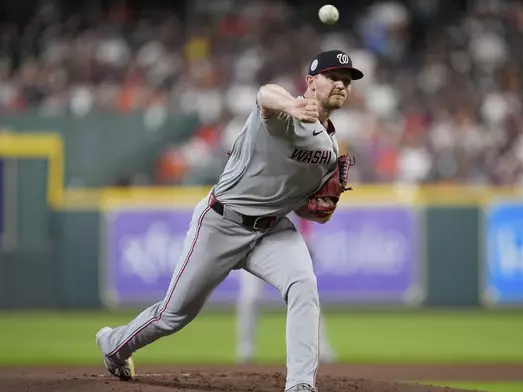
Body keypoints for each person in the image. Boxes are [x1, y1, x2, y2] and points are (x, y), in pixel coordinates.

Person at [95, 49, 363, 392]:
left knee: (304, 286)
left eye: (346, 81)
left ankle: (300, 385)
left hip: (271, 231)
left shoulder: (330, 146)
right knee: (174, 315)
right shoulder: (285, 113)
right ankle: (114, 347)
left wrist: (321, 208)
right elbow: (265, 94)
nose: (341, 85)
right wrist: (293, 105)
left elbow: (308, 210)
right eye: (333, 77)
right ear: (311, 82)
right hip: (221, 222)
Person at [235, 216, 338, 364]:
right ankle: (245, 349)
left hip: (285, 243)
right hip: (253, 243)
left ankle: (322, 347)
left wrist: (307, 238)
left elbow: (302, 207)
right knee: (251, 297)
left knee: (305, 292)